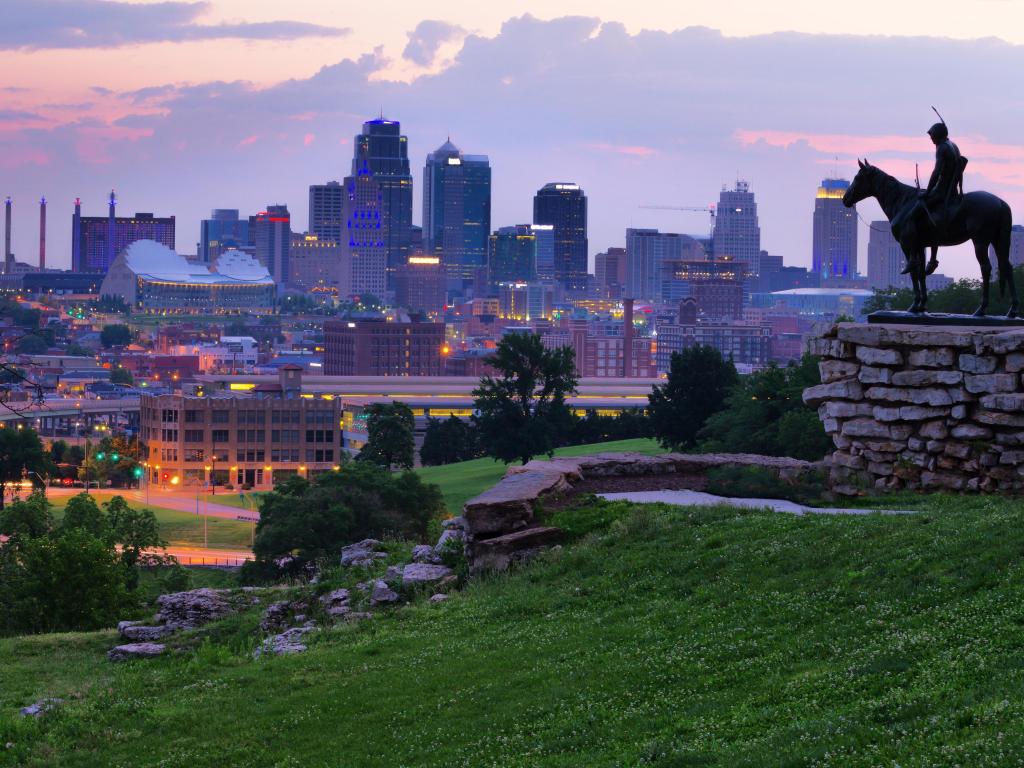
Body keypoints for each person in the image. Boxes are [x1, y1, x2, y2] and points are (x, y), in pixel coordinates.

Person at [901, 119, 967, 275]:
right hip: (951, 191)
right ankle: (932, 259)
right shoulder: (953, 146)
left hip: (941, 192)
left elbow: (936, 172)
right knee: (930, 218)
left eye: (932, 137)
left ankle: (913, 258)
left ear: (937, 135)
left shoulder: (942, 149)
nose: (931, 140)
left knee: (911, 216)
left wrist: (927, 192)